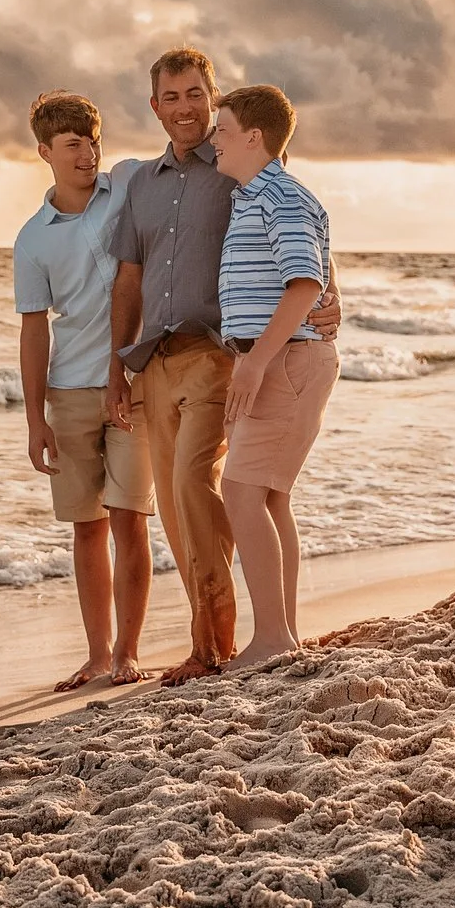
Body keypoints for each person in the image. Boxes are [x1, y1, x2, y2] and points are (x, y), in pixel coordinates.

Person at [105, 48, 340, 685]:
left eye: (196, 96)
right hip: (157, 359)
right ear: (155, 106)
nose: (186, 109)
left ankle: (226, 641)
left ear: (212, 100)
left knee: (208, 489)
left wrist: (328, 294)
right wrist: (116, 369)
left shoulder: (242, 167)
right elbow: (129, 278)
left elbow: (305, 241)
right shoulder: (144, 184)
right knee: (186, 503)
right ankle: (252, 634)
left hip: (225, 355)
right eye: (171, 97)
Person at [12, 91, 153, 690]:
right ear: (45, 151)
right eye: (72, 144)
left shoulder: (126, 187)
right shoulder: (32, 239)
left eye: (92, 141)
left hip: (135, 385)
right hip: (68, 393)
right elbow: (34, 330)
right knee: (87, 527)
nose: (87, 154)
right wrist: (34, 419)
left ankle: (127, 653)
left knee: (129, 517)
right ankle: (97, 654)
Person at [209, 85, 339, 671]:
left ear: (254, 137)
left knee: (241, 494)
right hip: (282, 358)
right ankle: (281, 633)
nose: (214, 139)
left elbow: (305, 283)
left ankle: (270, 639)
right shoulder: (255, 196)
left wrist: (256, 361)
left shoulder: (280, 197)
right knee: (268, 496)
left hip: (284, 361)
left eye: (223, 129)